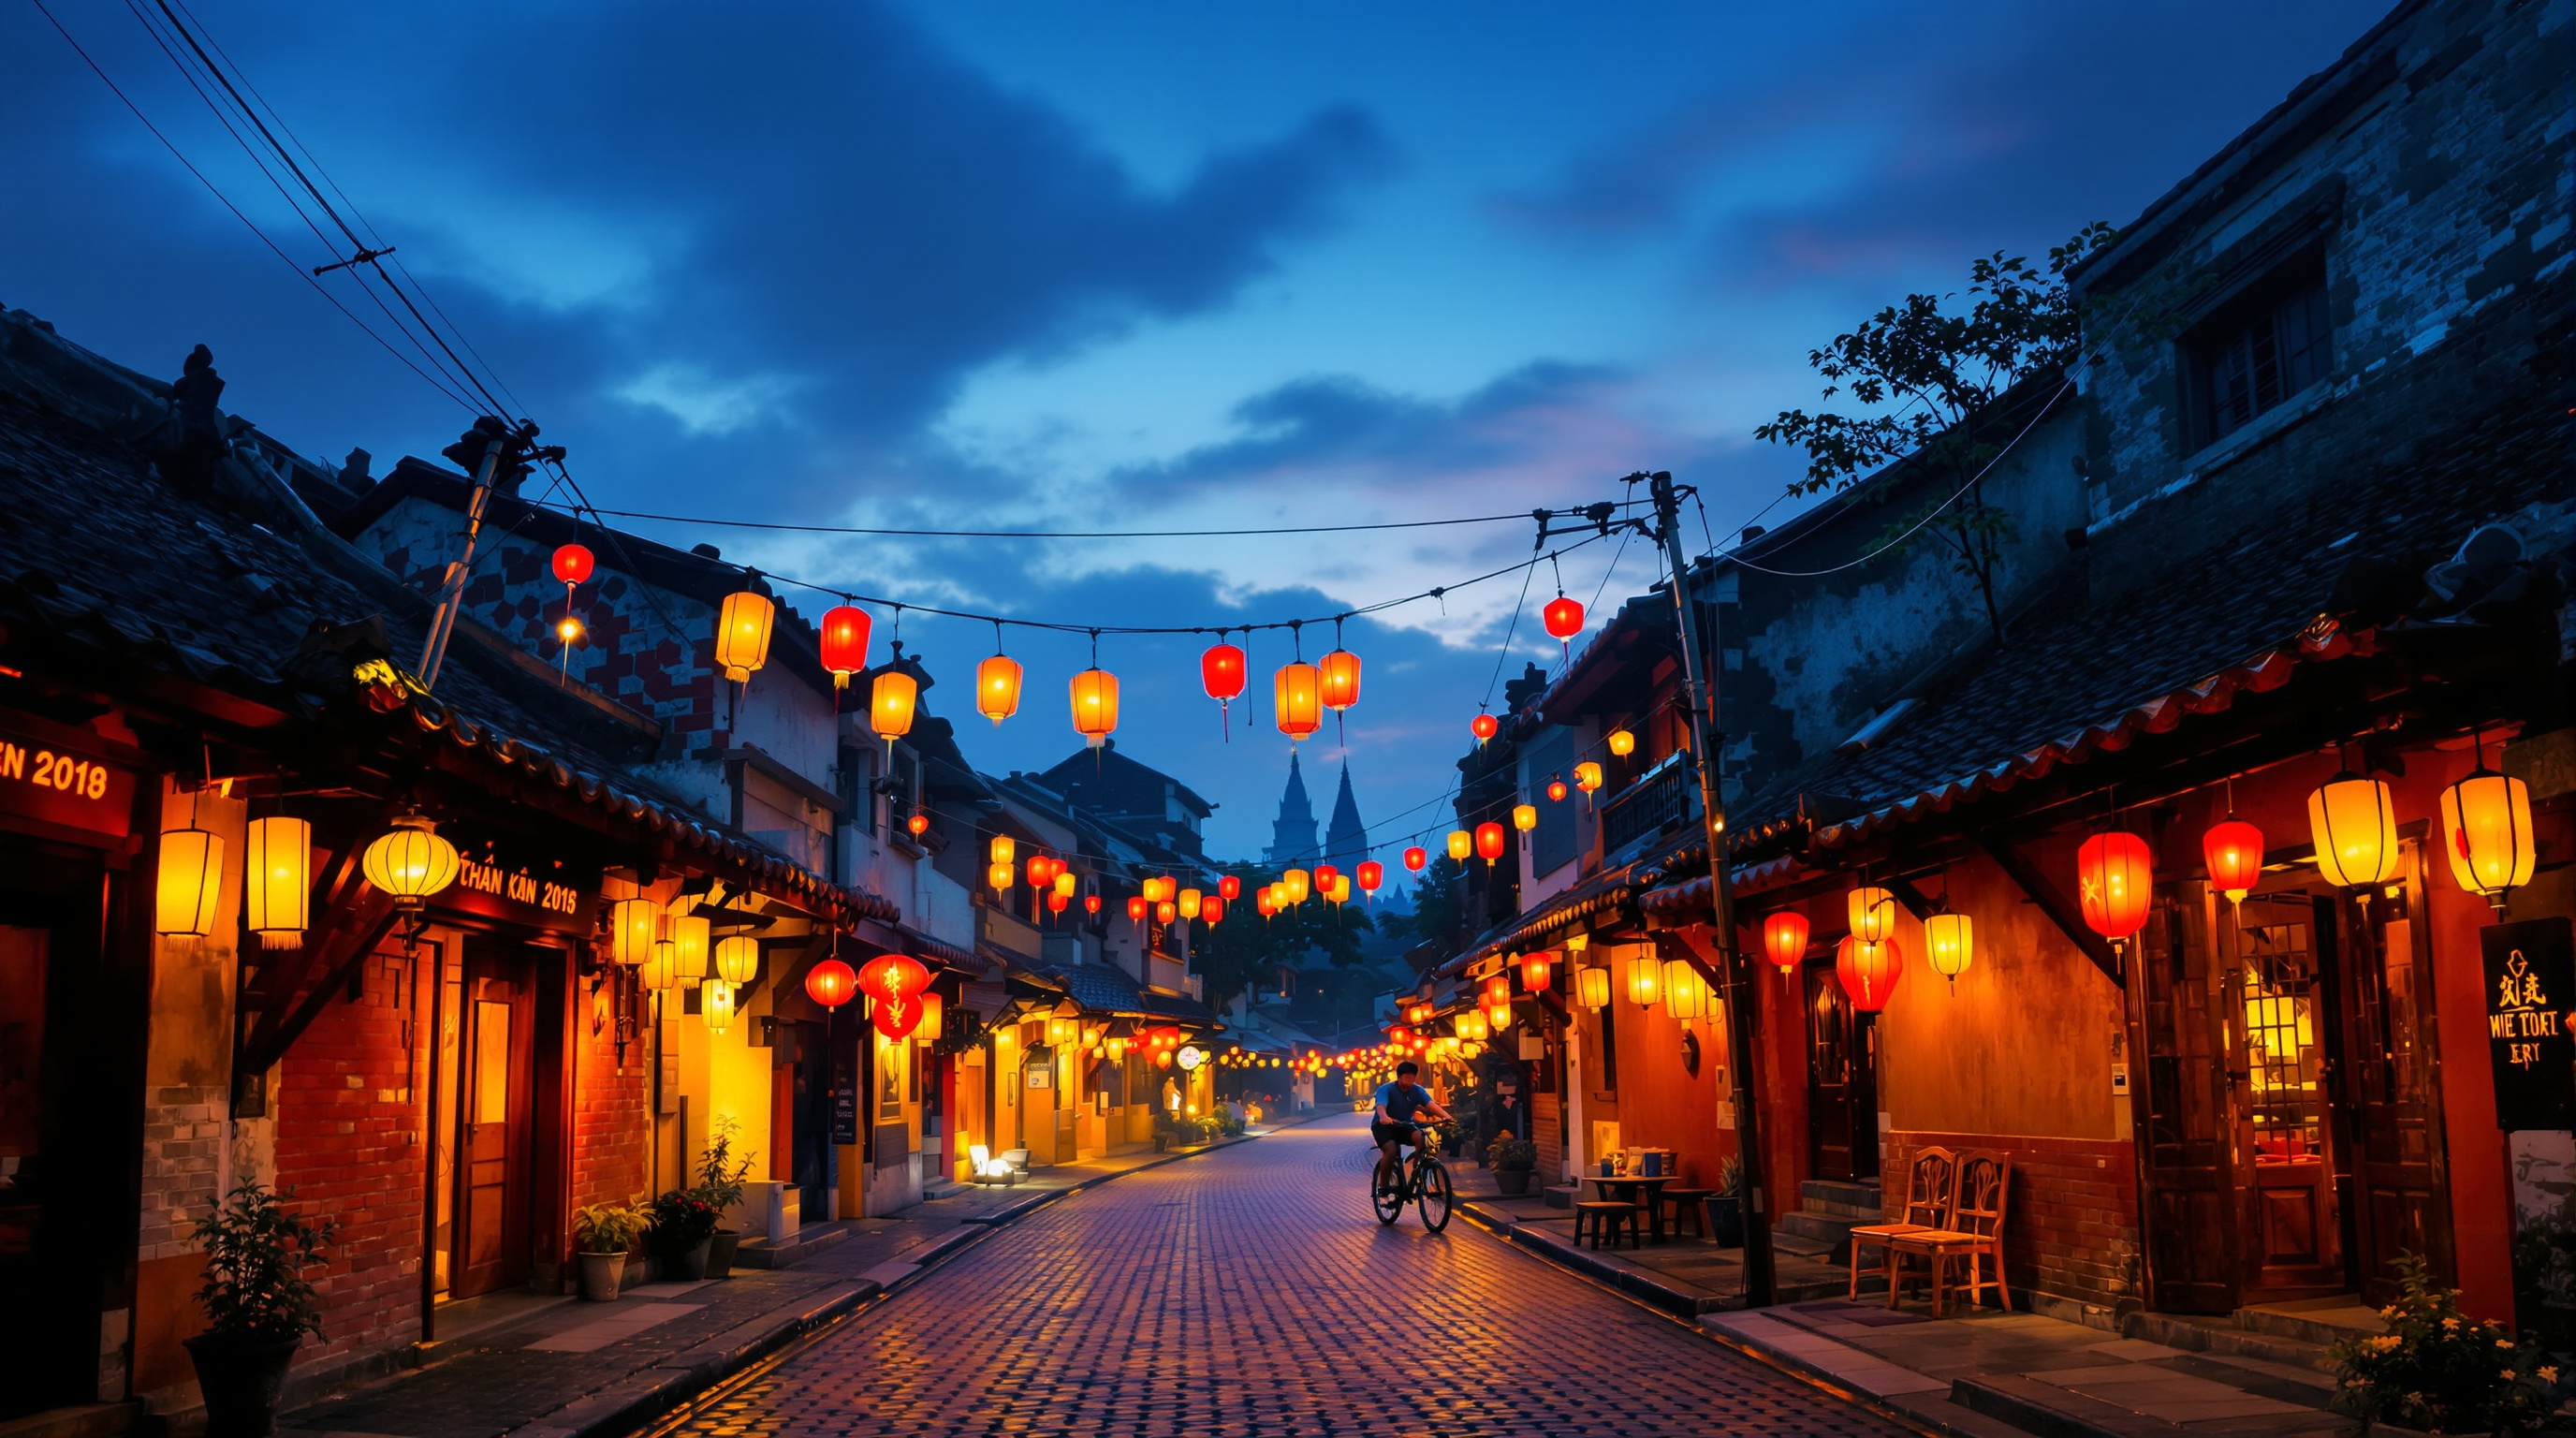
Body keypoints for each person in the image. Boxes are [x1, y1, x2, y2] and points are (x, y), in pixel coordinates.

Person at [1371, 1061, 1452, 1196]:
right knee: (1391, 1150)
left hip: (1405, 1125)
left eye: (1412, 1078)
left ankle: (1418, 1169)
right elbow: (1381, 1105)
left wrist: (1446, 1116)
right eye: (1407, 1077)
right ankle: (1383, 1185)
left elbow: (1430, 1104)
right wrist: (1384, 1117)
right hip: (1384, 1126)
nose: (1410, 1081)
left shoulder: (1417, 1090)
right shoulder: (1386, 1089)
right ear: (1399, 1077)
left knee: (1420, 1137)